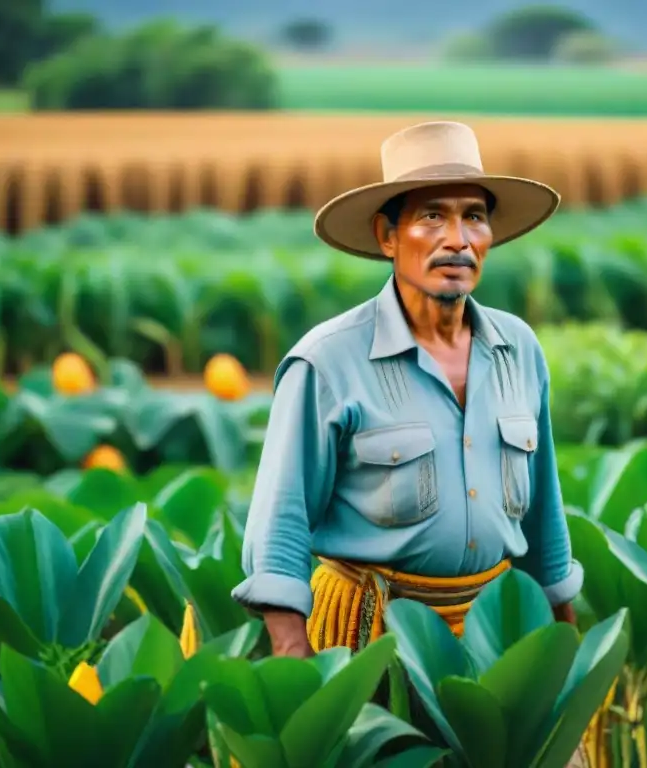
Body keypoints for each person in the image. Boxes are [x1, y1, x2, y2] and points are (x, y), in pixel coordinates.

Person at [232, 120, 583, 660]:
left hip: (495, 635)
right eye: (432, 216)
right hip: (368, 636)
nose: (457, 240)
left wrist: (565, 644)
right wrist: (293, 653)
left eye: (474, 217)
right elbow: (281, 521)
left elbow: (544, 519)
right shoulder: (327, 362)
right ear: (387, 235)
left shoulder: (520, 349)